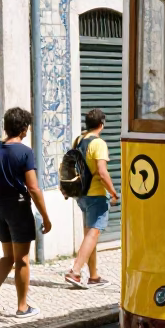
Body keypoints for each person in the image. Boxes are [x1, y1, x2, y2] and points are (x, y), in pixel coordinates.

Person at [0, 107, 51, 322]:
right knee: (21, 259)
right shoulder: (25, 152)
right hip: (19, 207)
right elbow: (33, 188)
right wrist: (45, 217)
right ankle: (22, 306)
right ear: (23, 128)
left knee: (7, 256)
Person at [65, 108, 118, 289]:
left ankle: (94, 276)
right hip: (96, 194)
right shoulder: (99, 144)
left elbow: (69, 165)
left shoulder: (78, 140)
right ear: (102, 125)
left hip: (81, 195)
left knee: (90, 234)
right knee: (93, 233)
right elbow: (102, 173)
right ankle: (75, 272)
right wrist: (113, 192)